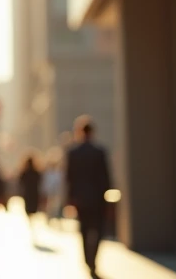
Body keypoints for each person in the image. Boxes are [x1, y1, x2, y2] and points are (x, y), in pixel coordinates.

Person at [66, 116, 112, 279]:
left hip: (80, 199)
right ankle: (92, 260)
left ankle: (88, 260)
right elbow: (106, 177)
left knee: (84, 230)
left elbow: (69, 178)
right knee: (98, 229)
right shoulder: (99, 151)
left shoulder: (73, 153)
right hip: (97, 198)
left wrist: (70, 199)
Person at [18, 152, 44, 245]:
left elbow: (20, 182)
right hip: (34, 194)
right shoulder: (37, 172)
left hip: (28, 194)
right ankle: (32, 224)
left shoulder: (24, 172)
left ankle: (31, 223)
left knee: (29, 211)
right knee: (33, 211)